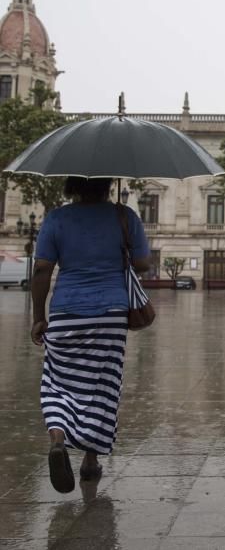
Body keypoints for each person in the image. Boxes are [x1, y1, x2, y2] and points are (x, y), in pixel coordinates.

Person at [31, 177, 150, 493]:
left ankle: (58, 437)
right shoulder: (125, 217)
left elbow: (42, 269)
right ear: (109, 185)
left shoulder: (56, 218)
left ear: (72, 185)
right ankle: (90, 460)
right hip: (110, 312)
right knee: (101, 385)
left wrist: (38, 317)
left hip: (65, 310)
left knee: (57, 382)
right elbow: (143, 264)